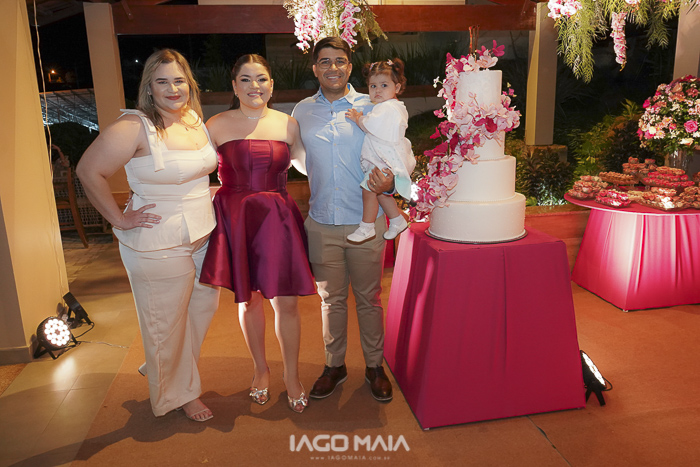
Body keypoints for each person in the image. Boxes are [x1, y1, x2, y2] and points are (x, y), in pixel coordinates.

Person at [76, 49, 220, 422]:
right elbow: (88, 171)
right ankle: (178, 394)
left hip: (202, 233)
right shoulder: (134, 126)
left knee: (201, 310)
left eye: (179, 80)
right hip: (158, 241)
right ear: (149, 87)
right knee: (165, 324)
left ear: (190, 83)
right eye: (162, 81)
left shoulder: (193, 119)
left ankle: (164, 365)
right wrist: (119, 220)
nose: (173, 89)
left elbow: (195, 173)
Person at [199, 54, 315, 414]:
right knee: (248, 300)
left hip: (278, 219)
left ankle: (292, 375)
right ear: (234, 86)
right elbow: (193, 172)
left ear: (272, 85)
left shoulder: (288, 124)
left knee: (287, 303)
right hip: (237, 219)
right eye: (246, 79)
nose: (255, 86)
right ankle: (260, 369)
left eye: (262, 79)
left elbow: (310, 167)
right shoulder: (215, 125)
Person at [292, 37, 395, 402]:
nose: (332, 67)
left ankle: (374, 366)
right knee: (330, 300)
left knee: (369, 299)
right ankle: (334, 365)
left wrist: (392, 181)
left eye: (339, 60)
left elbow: (393, 149)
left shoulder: (373, 104)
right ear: (315, 68)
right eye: (325, 61)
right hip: (321, 222)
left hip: (365, 221)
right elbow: (297, 157)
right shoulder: (302, 111)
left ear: (349, 67)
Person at [345, 58, 415, 243]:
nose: (377, 90)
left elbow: (371, 125)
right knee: (379, 191)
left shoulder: (389, 108)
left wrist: (358, 118)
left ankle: (366, 227)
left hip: (387, 158)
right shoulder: (389, 107)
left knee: (368, 189)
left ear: (397, 87)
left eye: (384, 85)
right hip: (386, 157)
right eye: (373, 86)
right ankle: (397, 220)